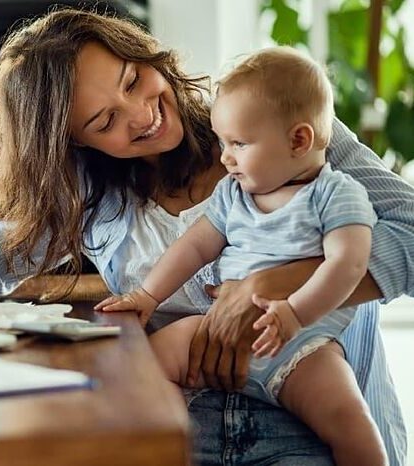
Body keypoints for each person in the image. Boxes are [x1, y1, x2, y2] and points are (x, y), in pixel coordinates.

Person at [0, 8, 412, 465]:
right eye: (104, 122)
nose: (142, 115)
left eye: (132, 80)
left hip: (314, 423)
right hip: (180, 429)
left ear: (143, 53)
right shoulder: (92, 189)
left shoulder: (280, 123)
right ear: (74, 144)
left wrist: (277, 285)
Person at [96, 46, 385, 465]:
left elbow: (349, 265)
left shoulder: (335, 195)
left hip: (303, 347)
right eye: (221, 141)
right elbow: (194, 246)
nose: (225, 156)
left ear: (298, 140)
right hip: (214, 331)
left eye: (238, 143)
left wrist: (295, 314)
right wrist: (147, 296)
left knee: (351, 422)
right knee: (140, 369)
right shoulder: (234, 194)